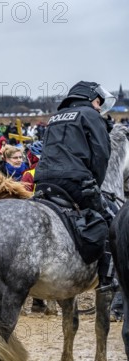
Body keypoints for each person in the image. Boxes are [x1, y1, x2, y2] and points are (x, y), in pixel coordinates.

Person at [34, 81, 117, 292]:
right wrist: (95, 185)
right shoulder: (91, 115)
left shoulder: (55, 118)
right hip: (75, 181)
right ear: (92, 98)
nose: (100, 107)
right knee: (112, 221)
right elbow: (101, 155)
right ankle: (108, 278)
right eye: (99, 102)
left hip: (43, 181)